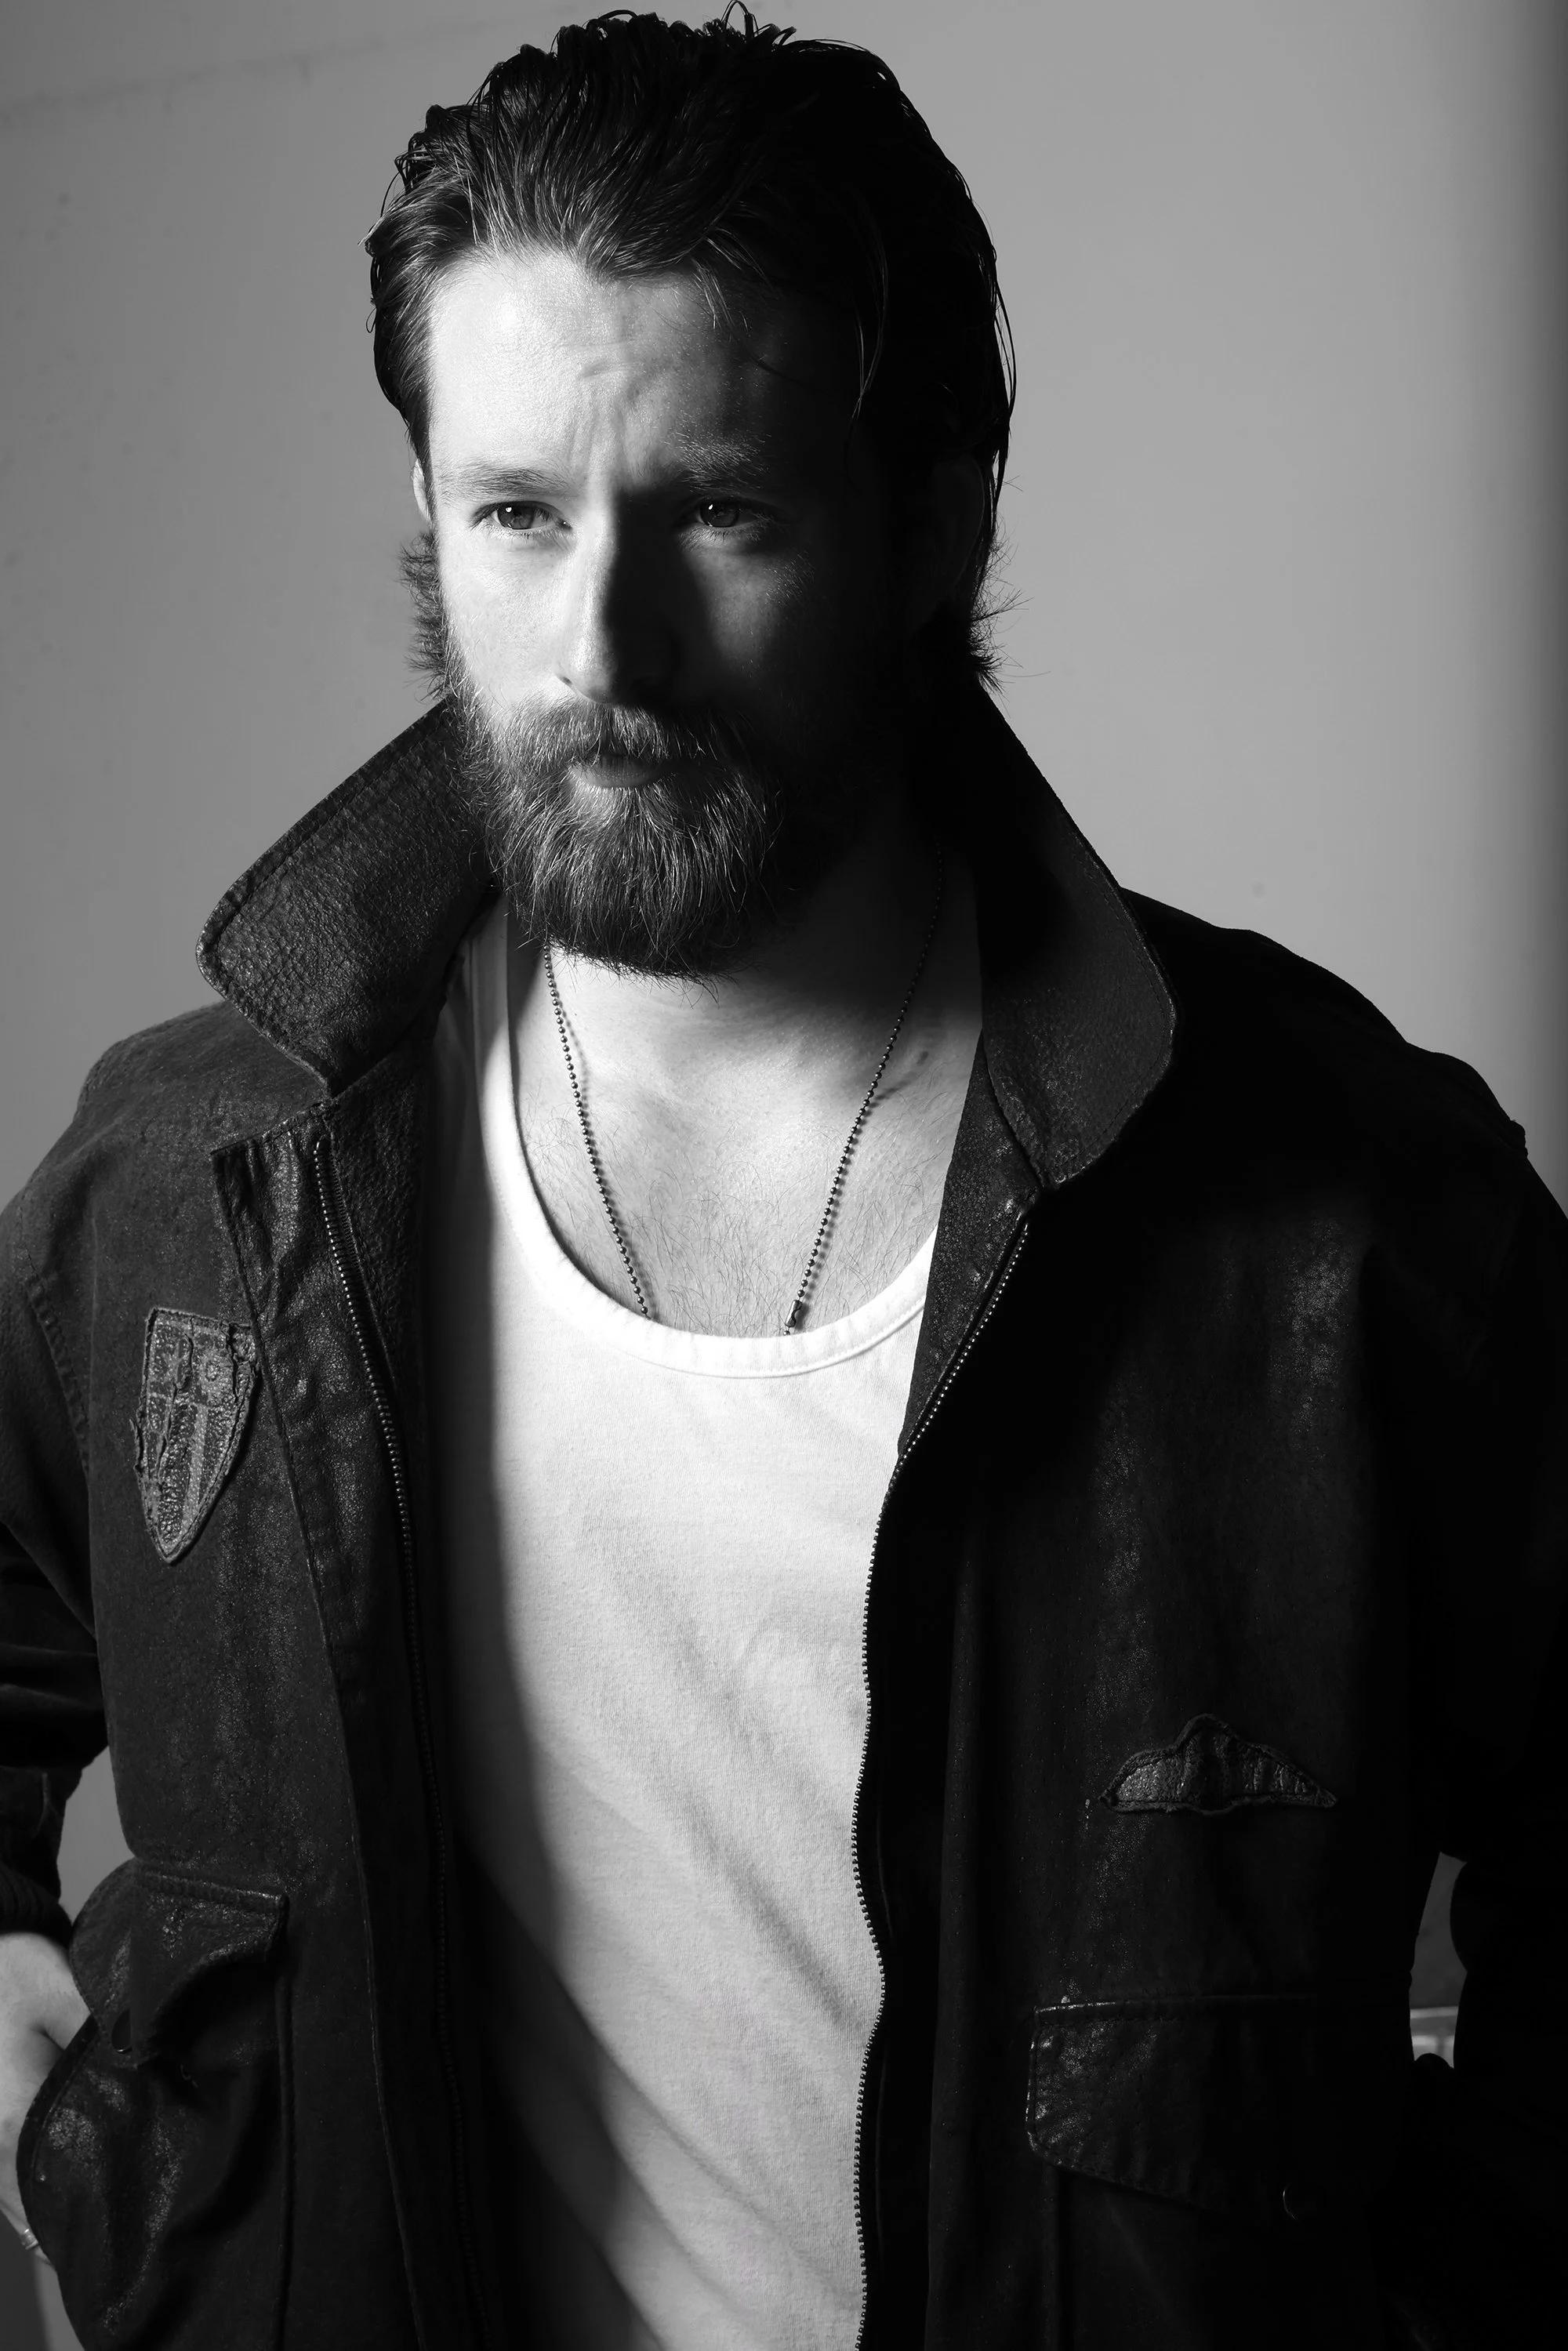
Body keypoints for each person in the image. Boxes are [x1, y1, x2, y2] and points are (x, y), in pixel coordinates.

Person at [1, 11, 1563, 2346]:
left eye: (717, 510)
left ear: (938, 518)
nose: (602, 648)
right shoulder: (195, 1180)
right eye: (518, 513)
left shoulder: (1328, 1204)